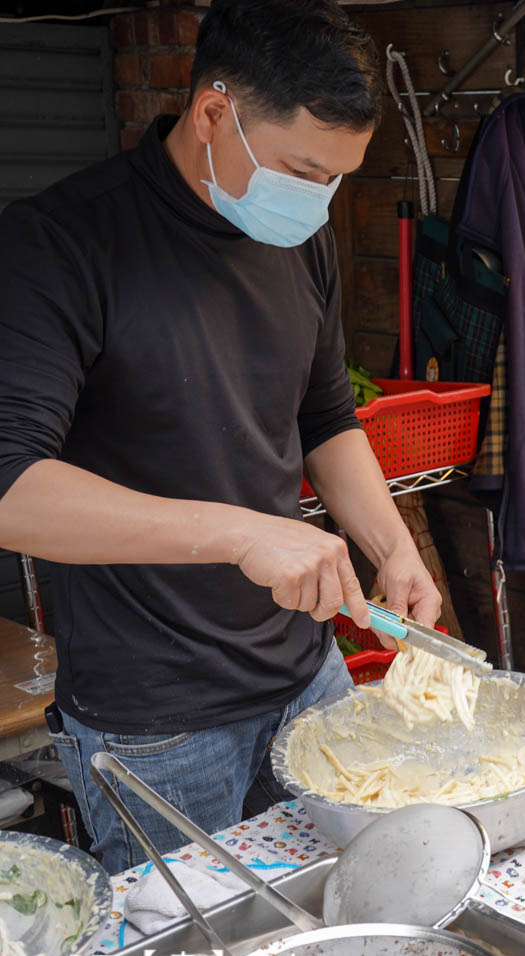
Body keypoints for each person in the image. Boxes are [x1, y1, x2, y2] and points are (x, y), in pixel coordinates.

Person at [0, 0, 442, 873]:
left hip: (308, 678)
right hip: (155, 719)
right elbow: (10, 487)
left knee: (330, 919)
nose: (318, 199)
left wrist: (390, 545)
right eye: (302, 169)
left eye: (337, 179)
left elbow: (324, 418)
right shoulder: (57, 244)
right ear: (212, 113)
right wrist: (240, 534)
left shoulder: (298, 239)